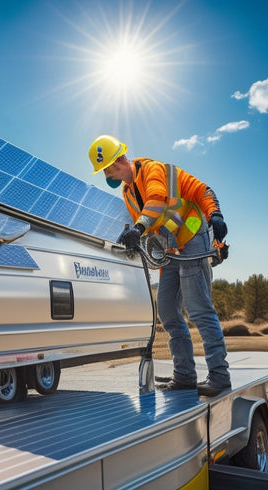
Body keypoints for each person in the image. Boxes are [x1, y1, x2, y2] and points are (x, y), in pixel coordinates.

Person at [88, 135, 231, 396]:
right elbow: (150, 222)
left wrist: (215, 214)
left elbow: (162, 199)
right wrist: (138, 237)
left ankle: (220, 376)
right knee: (166, 310)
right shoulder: (127, 191)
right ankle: (185, 375)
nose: (109, 174)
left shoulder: (152, 170)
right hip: (171, 250)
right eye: (105, 171)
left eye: (110, 168)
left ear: (121, 159)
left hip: (193, 233)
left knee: (199, 309)